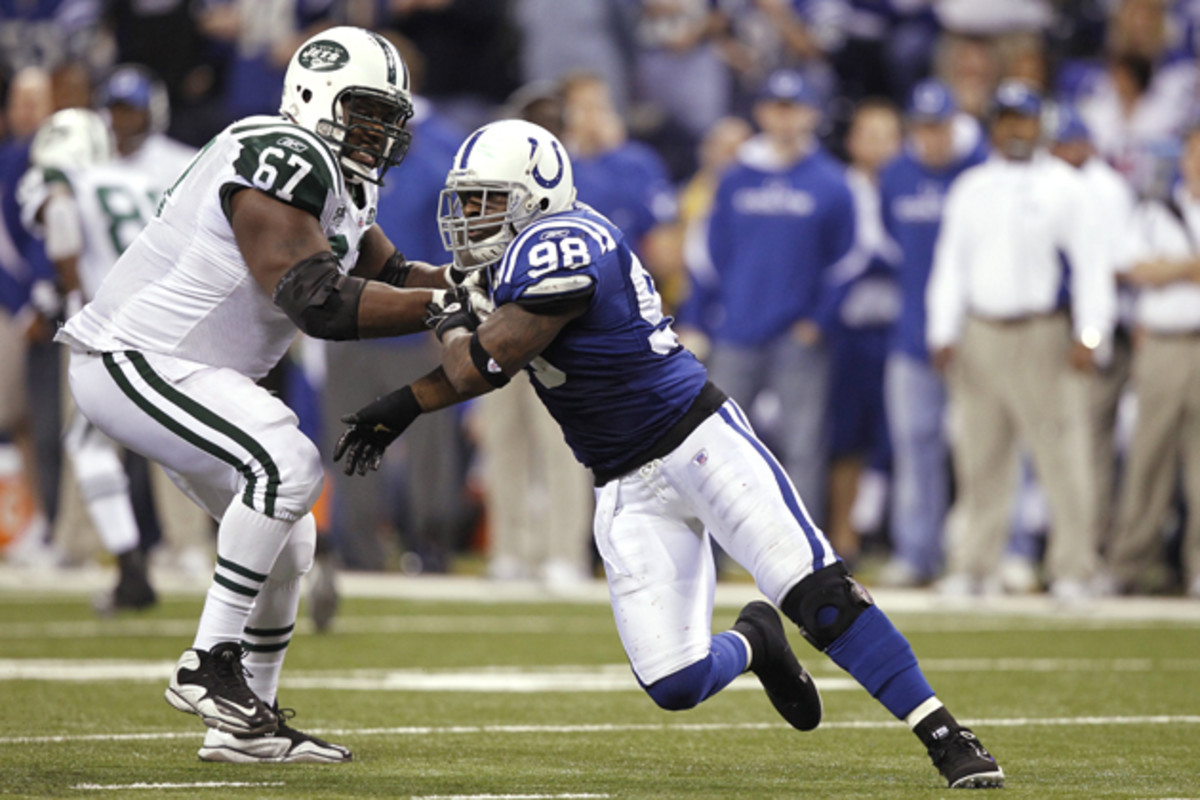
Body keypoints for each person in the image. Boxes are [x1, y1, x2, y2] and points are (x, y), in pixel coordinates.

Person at [334, 118, 1005, 789]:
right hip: (623, 481)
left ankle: (945, 733)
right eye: (468, 200)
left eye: (487, 200)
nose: (471, 217)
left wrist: (406, 394)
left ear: (536, 195)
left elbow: (482, 362)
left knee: (819, 596)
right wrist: (382, 262)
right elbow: (422, 280)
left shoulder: (566, 242)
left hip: (696, 441)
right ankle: (753, 644)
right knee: (675, 680)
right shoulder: (511, 253)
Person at [53, 26, 465, 764]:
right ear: (312, 96)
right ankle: (208, 664)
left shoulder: (338, 176)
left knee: (291, 538)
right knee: (288, 462)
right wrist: (444, 310)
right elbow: (319, 302)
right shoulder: (281, 155)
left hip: (190, 370)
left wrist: (475, 287)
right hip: (137, 354)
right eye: (365, 111)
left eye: (388, 116)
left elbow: (396, 275)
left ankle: (247, 724)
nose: (380, 131)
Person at [925, 80, 1116, 600]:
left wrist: (1091, 333)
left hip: (1044, 333)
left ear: (1040, 125)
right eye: (1006, 119)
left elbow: (1092, 268)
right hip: (981, 332)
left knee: (1063, 457)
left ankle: (1074, 569)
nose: (1014, 129)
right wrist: (943, 330)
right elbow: (950, 267)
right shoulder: (971, 187)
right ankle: (974, 565)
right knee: (979, 458)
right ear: (993, 126)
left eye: (1024, 119)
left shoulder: (1065, 187)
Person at [18, 108, 161, 611]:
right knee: (188, 454)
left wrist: (75, 293)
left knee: (89, 444)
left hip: (111, 332)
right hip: (167, 326)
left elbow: (56, 211)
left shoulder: (61, 180)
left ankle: (131, 571)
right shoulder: (141, 182)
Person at [701, 68, 856, 527]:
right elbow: (712, 252)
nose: (785, 119)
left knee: (803, 444)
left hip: (798, 335)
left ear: (810, 114)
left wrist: (818, 321)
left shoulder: (830, 181)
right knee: (720, 445)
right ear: (762, 112)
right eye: (776, 108)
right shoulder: (733, 179)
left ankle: (799, 547)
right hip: (738, 330)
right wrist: (721, 310)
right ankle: (725, 541)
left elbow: (848, 260)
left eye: (794, 109)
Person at [875, 78, 988, 588]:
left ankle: (992, 551)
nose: (932, 138)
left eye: (939, 126)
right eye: (922, 128)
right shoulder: (895, 175)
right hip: (912, 334)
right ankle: (916, 551)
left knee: (984, 446)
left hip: (973, 335)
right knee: (914, 443)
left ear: (954, 124)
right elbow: (892, 247)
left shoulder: (981, 170)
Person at [1104, 123, 1200, 597]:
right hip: (1162, 343)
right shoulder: (1154, 209)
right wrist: (1187, 268)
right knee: (1147, 460)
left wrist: (1171, 267)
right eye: (1195, 154)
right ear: (1183, 159)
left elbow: (1153, 268)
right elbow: (1132, 268)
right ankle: (1128, 561)